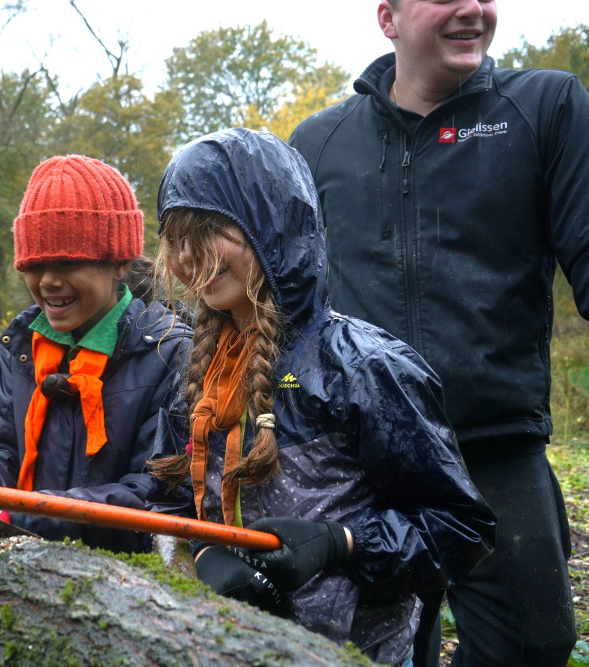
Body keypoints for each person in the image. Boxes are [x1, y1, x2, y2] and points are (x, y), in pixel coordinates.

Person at [288, 1, 587, 664]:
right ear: (388, 19)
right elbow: (289, 304)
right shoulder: (318, 144)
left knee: (538, 643)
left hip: (494, 452)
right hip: (366, 466)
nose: (473, 9)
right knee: (374, 648)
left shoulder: (545, 107)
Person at [145, 128, 495, 666]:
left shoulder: (366, 367)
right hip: (229, 650)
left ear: (273, 226)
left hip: (361, 653)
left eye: (210, 230)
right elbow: (167, 503)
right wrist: (206, 555)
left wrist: (341, 544)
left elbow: (460, 530)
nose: (189, 257)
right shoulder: (194, 370)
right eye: (177, 238)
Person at [0, 153, 191, 553]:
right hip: (23, 556)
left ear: (119, 264)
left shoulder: (169, 354)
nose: (49, 281)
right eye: (35, 265)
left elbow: (155, 493)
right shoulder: (21, 350)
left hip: (126, 579)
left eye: (69, 263)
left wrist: (30, 517)